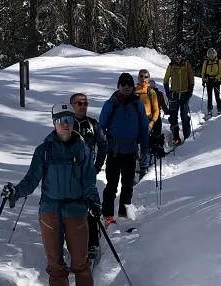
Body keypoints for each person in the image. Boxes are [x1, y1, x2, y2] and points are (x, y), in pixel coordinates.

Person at [2, 105, 101, 286]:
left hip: (76, 210)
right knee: (55, 262)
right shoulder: (44, 150)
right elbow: (31, 179)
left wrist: (93, 201)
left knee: (80, 261)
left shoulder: (83, 149)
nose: (64, 123)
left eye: (68, 118)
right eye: (60, 119)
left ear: (73, 121)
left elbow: (89, 181)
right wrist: (15, 191)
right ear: (54, 122)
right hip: (50, 212)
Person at [98, 72, 149, 223]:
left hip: (131, 150)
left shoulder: (137, 104)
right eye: (123, 84)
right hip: (114, 150)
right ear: (118, 86)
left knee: (127, 185)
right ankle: (107, 215)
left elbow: (144, 127)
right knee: (111, 184)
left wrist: (145, 149)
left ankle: (123, 213)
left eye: (129, 85)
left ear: (133, 87)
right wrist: (100, 148)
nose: (126, 87)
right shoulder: (110, 104)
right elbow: (101, 128)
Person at [70, 91, 107, 259]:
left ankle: (92, 242)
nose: (82, 106)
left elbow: (103, 143)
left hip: (87, 172)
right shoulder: (66, 123)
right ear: (72, 105)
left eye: (85, 103)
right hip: (69, 174)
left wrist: (98, 165)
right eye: (79, 103)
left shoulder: (93, 124)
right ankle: (73, 242)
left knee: (91, 205)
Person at [134, 68, 163, 171]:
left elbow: (156, 110)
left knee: (145, 145)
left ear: (148, 78)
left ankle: (144, 167)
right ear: (138, 77)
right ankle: (134, 166)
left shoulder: (151, 93)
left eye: (146, 77)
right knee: (132, 144)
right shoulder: (133, 91)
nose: (143, 78)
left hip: (147, 120)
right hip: (134, 120)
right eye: (141, 76)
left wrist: (152, 122)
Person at [163, 51, 194, 144]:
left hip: (184, 94)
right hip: (174, 95)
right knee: (173, 116)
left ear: (182, 57)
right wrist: (168, 92)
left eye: (179, 56)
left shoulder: (187, 65)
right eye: (176, 57)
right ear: (173, 57)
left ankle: (187, 136)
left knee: (184, 116)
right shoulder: (171, 66)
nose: (178, 59)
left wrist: (190, 92)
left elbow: (191, 79)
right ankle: (176, 137)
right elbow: (165, 79)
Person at [201, 48, 221, 118]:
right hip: (208, 80)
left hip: (216, 80)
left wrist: (216, 78)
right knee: (209, 96)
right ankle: (209, 110)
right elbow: (203, 72)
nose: (211, 55)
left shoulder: (218, 61)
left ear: (215, 54)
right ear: (208, 55)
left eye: (212, 54)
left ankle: (219, 109)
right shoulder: (206, 62)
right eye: (210, 54)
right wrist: (203, 80)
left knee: (217, 96)